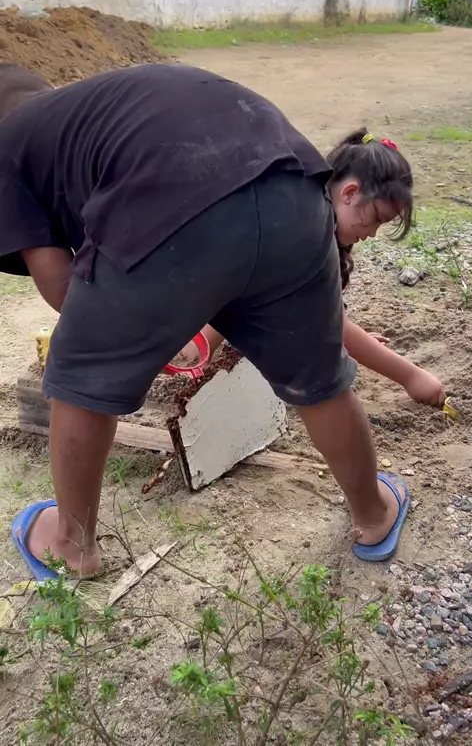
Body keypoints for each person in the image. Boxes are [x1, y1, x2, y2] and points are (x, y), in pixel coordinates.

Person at [0, 61, 441, 581]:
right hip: (294, 192)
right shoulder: (78, 110)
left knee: (82, 373)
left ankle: (71, 548)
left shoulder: (9, 144)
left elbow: (60, 286)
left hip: (175, 192)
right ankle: (373, 514)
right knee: (318, 382)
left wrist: (130, 334)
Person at [191, 130, 446, 408]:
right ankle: (194, 352)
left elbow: (326, 319)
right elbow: (331, 323)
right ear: (350, 193)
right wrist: (410, 376)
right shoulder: (302, 234)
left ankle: (197, 351)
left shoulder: (321, 221)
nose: (373, 233)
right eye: (376, 218)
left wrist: (348, 342)